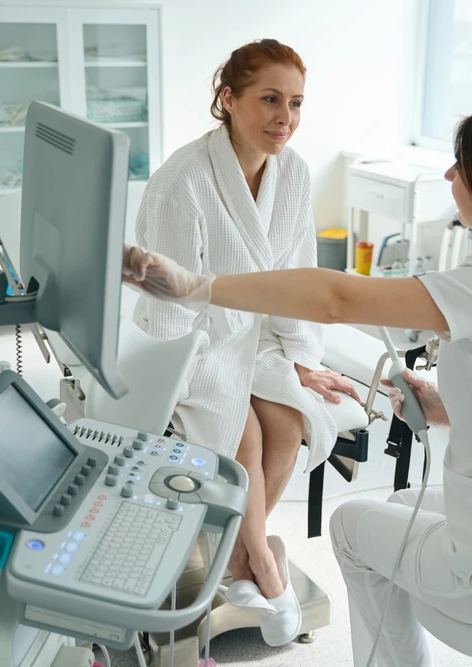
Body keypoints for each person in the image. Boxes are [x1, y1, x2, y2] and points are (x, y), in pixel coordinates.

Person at [123, 107, 472, 667]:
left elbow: (337, 299)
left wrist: (198, 285)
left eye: (460, 165)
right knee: (399, 503)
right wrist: (442, 407)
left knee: (351, 527)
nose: (449, 178)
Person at [129, 38, 359, 647]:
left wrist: (301, 358)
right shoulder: (182, 183)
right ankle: (264, 567)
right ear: (227, 98)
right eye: (269, 99)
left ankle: (237, 558)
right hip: (194, 341)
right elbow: (169, 308)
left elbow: (298, 277)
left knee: (287, 421)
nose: (285, 117)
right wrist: (174, 383)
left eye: (297, 103)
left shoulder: (295, 173)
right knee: (246, 437)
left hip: (256, 337)